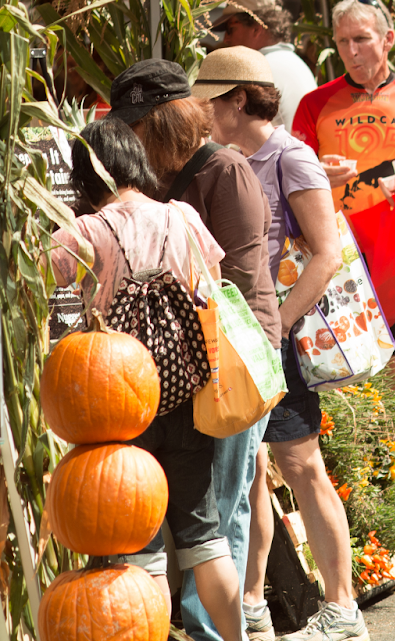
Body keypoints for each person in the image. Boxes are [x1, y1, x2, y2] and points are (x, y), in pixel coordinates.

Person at [192, 48, 367, 641]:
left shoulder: (291, 156)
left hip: (272, 336)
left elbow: (326, 251)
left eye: (208, 101)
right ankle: (250, 604)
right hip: (236, 337)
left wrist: (277, 329)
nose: (201, 112)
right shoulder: (224, 158)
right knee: (252, 471)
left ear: (237, 100)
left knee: (302, 464)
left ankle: (343, 610)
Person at [48, 120, 245, 641]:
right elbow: (215, 286)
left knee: (142, 550)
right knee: (206, 538)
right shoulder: (180, 215)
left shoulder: (87, 230)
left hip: (115, 408)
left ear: (87, 173)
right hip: (183, 395)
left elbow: (37, 274)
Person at [112, 60, 276, 641]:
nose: (129, 136)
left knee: (220, 513)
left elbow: (237, 278)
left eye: (137, 125)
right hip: (182, 366)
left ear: (164, 122)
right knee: (200, 515)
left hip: (227, 362)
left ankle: (213, 634)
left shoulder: (223, 170)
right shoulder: (158, 178)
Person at [291, 0, 395, 447]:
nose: (352, 51)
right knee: (340, 373)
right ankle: (356, 480)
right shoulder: (314, 104)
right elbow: (288, 178)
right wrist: (318, 174)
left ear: (389, 40)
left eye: (362, 39)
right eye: (343, 42)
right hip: (336, 258)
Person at [213, 0, 318, 128]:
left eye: (230, 29)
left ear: (256, 29)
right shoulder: (296, 63)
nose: (226, 39)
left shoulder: (260, 70)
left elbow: (237, 135)